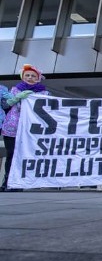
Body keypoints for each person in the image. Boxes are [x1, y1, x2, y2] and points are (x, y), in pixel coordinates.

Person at [1, 64, 49, 192]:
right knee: (11, 155)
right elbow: (5, 105)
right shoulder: (14, 90)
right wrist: (16, 98)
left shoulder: (44, 93)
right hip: (12, 128)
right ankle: (7, 182)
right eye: (27, 75)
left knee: (27, 155)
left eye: (33, 76)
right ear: (22, 77)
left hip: (31, 130)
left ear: (38, 78)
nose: (30, 77)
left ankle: (21, 182)